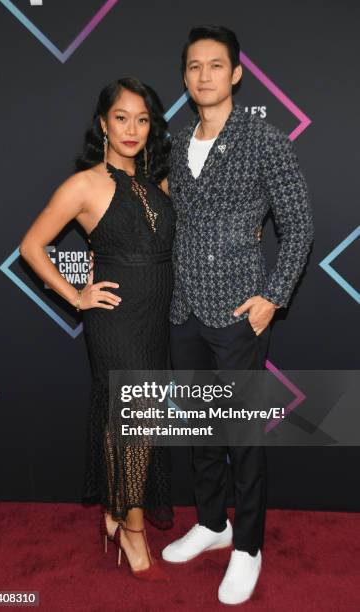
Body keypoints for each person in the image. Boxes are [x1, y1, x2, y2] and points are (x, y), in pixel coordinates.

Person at [161, 25, 314, 604]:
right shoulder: (176, 144)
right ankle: (212, 523)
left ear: (237, 73)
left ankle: (247, 546)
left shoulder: (264, 138)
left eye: (215, 65)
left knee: (243, 436)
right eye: (194, 66)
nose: (204, 75)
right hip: (184, 309)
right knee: (201, 430)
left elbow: (298, 225)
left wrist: (272, 298)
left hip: (238, 311)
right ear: (185, 76)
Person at [19, 77, 175, 582]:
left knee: (136, 424)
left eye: (143, 119)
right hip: (115, 321)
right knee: (135, 421)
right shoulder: (85, 184)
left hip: (155, 322)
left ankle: (115, 511)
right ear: (103, 124)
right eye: (122, 117)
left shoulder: (158, 185)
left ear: (151, 127)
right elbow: (32, 246)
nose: (132, 128)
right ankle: (132, 530)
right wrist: (75, 295)